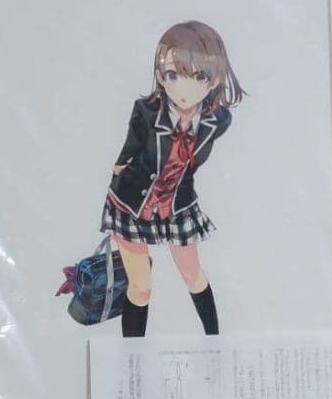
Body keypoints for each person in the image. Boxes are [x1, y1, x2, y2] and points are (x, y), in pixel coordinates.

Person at [101, 20, 244, 337]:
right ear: (159, 76)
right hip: (132, 204)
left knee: (193, 276)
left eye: (199, 76)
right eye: (172, 75)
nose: (183, 88)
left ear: (215, 78)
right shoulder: (146, 111)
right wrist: (121, 167)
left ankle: (215, 345)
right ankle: (132, 357)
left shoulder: (218, 120)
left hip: (178, 204)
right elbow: (129, 150)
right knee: (140, 287)